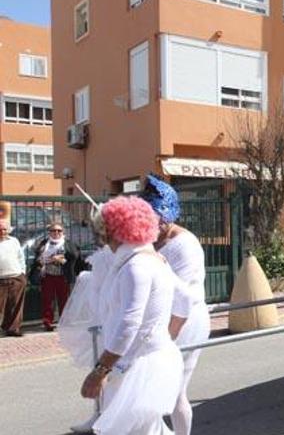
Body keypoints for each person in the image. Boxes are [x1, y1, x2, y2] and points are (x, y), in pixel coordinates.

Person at [79, 196, 186, 434]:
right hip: (143, 361)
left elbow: (129, 324)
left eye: (102, 232)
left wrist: (100, 371)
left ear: (114, 232)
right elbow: (185, 301)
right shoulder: (153, 260)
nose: (102, 240)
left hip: (138, 366)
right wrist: (164, 337)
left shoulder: (135, 266)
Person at [141, 174, 210, 435]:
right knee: (153, 388)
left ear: (167, 216)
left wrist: (169, 335)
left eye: (154, 218)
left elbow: (185, 297)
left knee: (176, 390)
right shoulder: (151, 240)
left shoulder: (185, 245)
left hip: (186, 321)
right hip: (159, 319)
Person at [30, 223, 86, 331]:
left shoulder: (68, 244)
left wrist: (62, 260)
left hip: (63, 276)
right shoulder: (44, 244)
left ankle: (64, 321)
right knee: (47, 300)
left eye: (59, 231)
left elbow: (75, 257)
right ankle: (48, 322)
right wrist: (45, 260)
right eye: (53, 231)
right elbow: (37, 257)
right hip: (47, 276)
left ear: (63, 232)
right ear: (49, 232)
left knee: (64, 300)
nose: (56, 233)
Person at [0, 219, 26, 337]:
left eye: (4, 229)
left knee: (15, 305)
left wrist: (23, 273)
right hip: (1, 279)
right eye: (0, 229)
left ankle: (13, 329)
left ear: (8, 230)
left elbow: (21, 257)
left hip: (16, 277)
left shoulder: (14, 241)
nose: (2, 231)